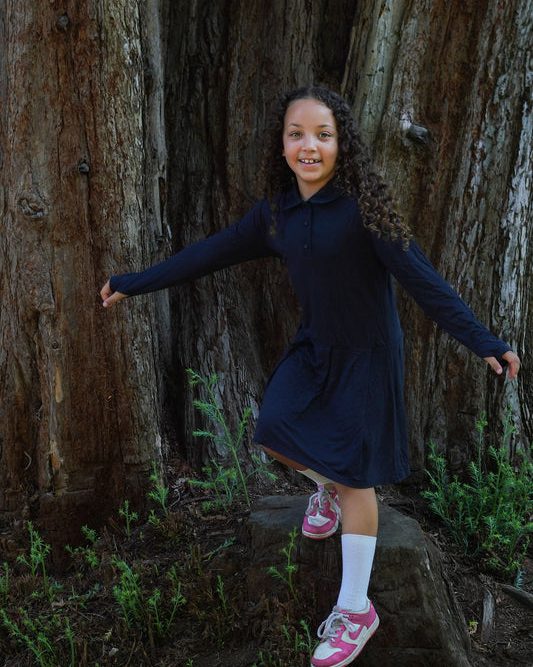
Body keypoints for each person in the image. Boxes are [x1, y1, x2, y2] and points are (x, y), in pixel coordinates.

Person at [100, 86, 520, 666]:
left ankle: (356, 609)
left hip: (367, 356)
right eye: (296, 133)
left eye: (323, 135)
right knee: (272, 428)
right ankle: (324, 489)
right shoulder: (276, 215)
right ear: (282, 144)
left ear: (341, 144)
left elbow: (425, 281)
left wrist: (483, 339)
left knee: (356, 478)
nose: (309, 146)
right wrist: (134, 281)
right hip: (316, 348)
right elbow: (208, 253)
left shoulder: (363, 211)